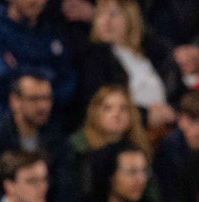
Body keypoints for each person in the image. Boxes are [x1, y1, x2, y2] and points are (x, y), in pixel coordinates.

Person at [0, 0, 78, 131]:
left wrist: (44, 96)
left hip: (49, 118)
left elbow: (67, 79)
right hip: (1, 115)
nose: (36, 2)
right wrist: (40, 81)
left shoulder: (52, 28)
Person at [75, 0, 176, 135]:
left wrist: (172, 111)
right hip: (126, 133)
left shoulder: (154, 52)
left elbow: (178, 90)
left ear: (131, 18)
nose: (106, 20)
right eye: (100, 15)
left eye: (113, 14)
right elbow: (99, 101)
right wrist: (145, 115)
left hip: (166, 128)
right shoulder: (93, 57)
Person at [0, 72, 74, 202]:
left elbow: (64, 191)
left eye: (47, 98)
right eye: (34, 99)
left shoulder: (58, 139)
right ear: (15, 101)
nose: (43, 106)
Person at [68, 84, 157, 202]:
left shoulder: (140, 148)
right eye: (108, 108)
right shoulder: (78, 148)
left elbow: (152, 194)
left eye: (123, 108)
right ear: (95, 112)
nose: (116, 114)